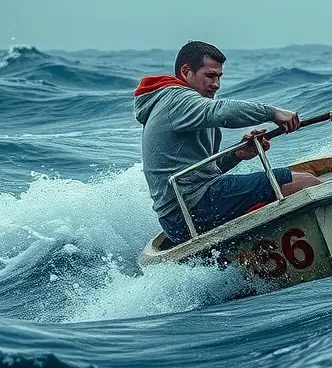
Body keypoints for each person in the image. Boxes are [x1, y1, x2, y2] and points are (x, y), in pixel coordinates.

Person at [134, 41, 321, 247]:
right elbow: (221, 111)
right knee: (306, 182)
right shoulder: (177, 99)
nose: (216, 84)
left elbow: (205, 169)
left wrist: (236, 154)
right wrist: (272, 113)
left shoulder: (185, 105)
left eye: (219, 77)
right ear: (186, 71)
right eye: (210, 76)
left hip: (178, 220)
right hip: (195, 208)